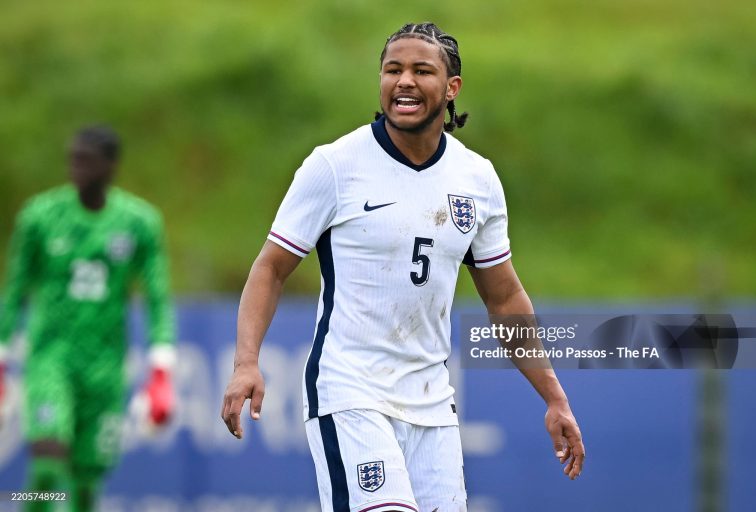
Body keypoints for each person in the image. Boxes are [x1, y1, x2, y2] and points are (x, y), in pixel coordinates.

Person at [221, 22, 585, 512]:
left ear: (451, 88)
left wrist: (554, 397)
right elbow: (271, 269)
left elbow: (504, 298)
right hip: (350, 391)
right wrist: (246, 362)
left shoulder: (476, 179)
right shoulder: (334, 166)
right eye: (393, 69)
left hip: (432, 405)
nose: (404, 81)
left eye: (421, 70)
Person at [0, 125, 176, 512]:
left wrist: (161, 365)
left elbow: (157, 296)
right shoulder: (41, 217)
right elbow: (15, 290)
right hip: (52, 357)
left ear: (110, 166)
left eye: (86, 160)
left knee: (85, 481)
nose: (75, 168)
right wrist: (2, 353)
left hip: (105, 366)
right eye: (72, 158)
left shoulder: (138, 222)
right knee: (47, 463)